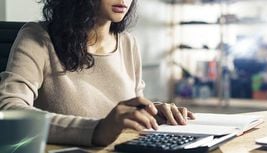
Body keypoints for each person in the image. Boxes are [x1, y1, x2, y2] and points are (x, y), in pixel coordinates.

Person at [0, 0, 195, 146]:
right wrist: (96, 130)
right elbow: (9, 109)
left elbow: (127, 114)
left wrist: (151, 112)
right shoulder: (37, 37)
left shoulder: (128, 43)